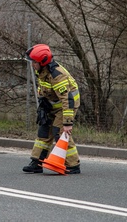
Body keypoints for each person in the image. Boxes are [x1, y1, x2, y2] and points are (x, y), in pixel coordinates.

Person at [23, 43, 81, 174]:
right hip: (52, 106)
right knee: (44, 130)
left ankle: (73, 165)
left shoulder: (57, 75)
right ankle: (37, 162)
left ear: (43, 61)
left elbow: (67, 100)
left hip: (66, 107)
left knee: (60, 132)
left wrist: (67, 122)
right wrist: (43, 107)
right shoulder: (42, 71)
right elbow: (43, 89)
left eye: (34, 62)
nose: (32, 65)